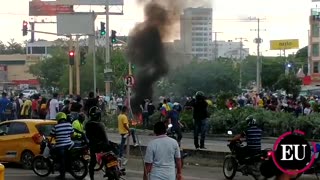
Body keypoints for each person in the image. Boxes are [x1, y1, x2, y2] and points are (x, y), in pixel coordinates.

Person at [85, 106, 109, 180]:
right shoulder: (100, 125)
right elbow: (105, 138)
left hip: (93, 146)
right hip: (102, 146)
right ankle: (108, 172)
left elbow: (87, 136)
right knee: (108, 158)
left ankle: (92, 177)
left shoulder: (87, 124)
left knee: (92, 163)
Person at [50, 112, 74, 180]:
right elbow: (72, 135)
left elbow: (51, 135)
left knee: (61, 161)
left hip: (61, 147)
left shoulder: (56, 126)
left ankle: (62, 176)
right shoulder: (69, 125)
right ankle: (69, 169)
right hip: (69, 145)